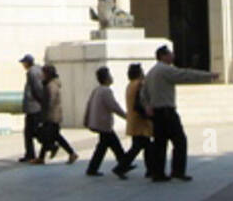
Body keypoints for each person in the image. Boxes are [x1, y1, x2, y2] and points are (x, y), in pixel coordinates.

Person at [141, 44, 216, 181]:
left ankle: (158, 173)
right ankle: (177, 171)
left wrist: (147, 105)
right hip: (167, 111)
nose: (173, 56)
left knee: (160, 144)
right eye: (170, 54)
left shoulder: (151, 72)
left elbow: (143, 93)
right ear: (163, 56)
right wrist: (208, 76)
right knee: (180, 141)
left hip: (156, 112)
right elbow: (185, 75)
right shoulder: (165, 70)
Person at [82, 66, 128, 176]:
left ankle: (122, 164)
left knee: (105, 146)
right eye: (110, 75)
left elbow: (88, 105)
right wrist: (126, 116)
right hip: (103, 123)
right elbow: (114, 106)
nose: (112, 78)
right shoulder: (106, 91)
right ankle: (123, 164)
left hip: (98, 122)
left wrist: (86, 119)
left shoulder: (97, 90)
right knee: (113, 144)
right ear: (107, 78)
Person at [119, 63, 155, 179]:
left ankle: (150, 170)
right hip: (141, 121)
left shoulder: (130, 85)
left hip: (134, 120)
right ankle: (121, 167)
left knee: (143, 146)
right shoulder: (139, 84)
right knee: (141, 147)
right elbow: (141, 102)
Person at [37, 63, 77, 165]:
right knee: (53, 136)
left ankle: (70, 153)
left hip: (52, 116)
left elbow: (50, 102)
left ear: (48, 74)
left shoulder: (51, 86)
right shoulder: (49, 84)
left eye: (43, 73)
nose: (42, 75)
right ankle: (42, 157)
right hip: (52, 115)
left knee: (51, 136)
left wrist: (44, 117)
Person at [19, 54, 47, 163]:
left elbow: (37, 88)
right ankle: (30, 153)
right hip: (34, 106)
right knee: (30, 132)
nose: (23, 65)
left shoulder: (33, 72)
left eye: (23, 63)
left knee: (33, 131)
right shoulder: (37, 71)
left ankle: (49, 145)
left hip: (33, 107)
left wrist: (40, 101)